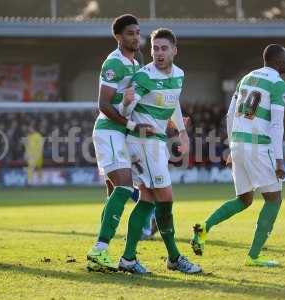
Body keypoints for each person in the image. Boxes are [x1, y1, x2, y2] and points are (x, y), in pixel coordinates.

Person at [191, 44, 285, 267]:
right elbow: (276, 125)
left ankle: (204, 227)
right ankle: (254, 256)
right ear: (277, 62)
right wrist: (279, 160)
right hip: (259, 147)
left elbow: (229, 115)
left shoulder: (245, 79)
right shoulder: (278, 84)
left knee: (244, 199)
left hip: (238, 144)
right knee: (274, 200)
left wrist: (230, 147)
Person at [117, 28, 202, 274]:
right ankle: (174, 257)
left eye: (164, 48)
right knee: (165, 197)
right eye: (155, 48)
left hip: (157, 142)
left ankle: (128, 259)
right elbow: (125, 113)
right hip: (142, 142)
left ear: (174, 50)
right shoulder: (144, 77)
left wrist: (182, 133)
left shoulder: (179, 75)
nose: (159, 53)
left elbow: (173, 102)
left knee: (147, 198)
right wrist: (124, 102)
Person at [87, 14, 155, 272]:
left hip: (122, 133)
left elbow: (135, 103)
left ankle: (103, 251)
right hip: (110, 131)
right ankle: (99, 250)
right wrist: (130, 126)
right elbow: (103, 104)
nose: (136, 37)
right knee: (125, 187)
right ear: (118, 36)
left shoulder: (136, 63)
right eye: (130, 33)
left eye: (138, 32)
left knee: (115, 191)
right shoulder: (113, 63)